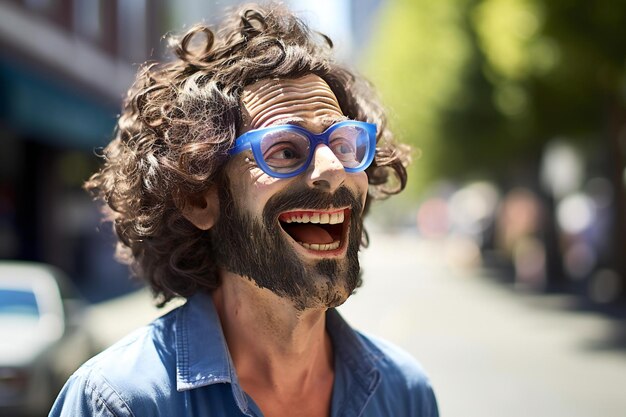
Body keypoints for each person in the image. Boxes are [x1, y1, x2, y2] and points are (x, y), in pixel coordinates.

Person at [49, 3, 438, 417]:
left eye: (344, 145)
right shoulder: (118, 402)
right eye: (285, 150)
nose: (334, 171)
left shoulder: (403, 392)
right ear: (199, 198)